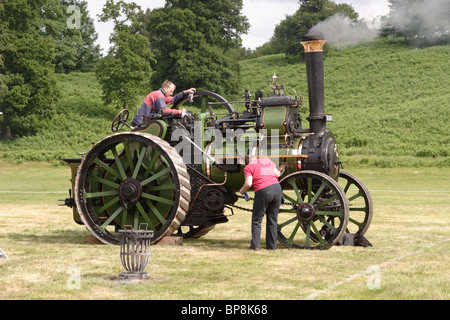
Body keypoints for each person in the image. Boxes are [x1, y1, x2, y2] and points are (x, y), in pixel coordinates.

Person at [239, 155, 286, 250]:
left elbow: (248, 183)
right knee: (272, 219)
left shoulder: (248, 167)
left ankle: (255, 246)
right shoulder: (266, 161)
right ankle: (272, 246)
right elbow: (278, 174)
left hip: (263, 191)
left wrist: (242, 190)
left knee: (257, 220)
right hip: (277, 189)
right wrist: (281, 168)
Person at [132, 80, 196, 126]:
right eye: (171, 91)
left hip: (143, 122)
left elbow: (173, 99)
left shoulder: (160, 95)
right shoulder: (158, 95)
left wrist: (185, 92)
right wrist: (179, 112)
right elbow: (164, 110)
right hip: (140, 124)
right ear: (165, 88)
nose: (171, 93)